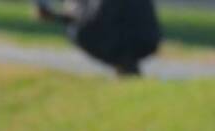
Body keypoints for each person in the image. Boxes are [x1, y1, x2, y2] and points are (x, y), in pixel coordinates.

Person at [33, 0, 161, 76]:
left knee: (76, 30)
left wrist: (56, 17)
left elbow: (92, 18)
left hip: (132, 36)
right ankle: (123, 66)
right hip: (148, 35)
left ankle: (123, 64)